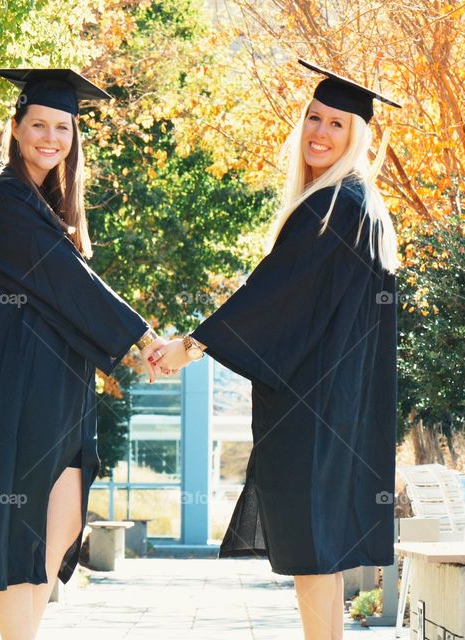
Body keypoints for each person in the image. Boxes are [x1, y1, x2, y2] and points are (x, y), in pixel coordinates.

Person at [152, 59, 402, 640]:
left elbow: (273, 295)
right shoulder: (359, 205)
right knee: (320, 553)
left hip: (312, 411)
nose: (320, 132)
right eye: (314, 118)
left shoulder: (335, 205)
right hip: (338, 408)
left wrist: (190, 346)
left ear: (357, 137)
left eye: (337, 125)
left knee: (313, 550)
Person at [0, 68, 166, 640]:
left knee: (64, 520)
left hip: (58, 388)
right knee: (16, 531)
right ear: (16, 127)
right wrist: (145, 340)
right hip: (15, 389)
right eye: (39, 124)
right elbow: (69, 284)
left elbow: (66, 287)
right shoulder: (1, 199)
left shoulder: (45, 207)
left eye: (64, 128)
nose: (51, 138)